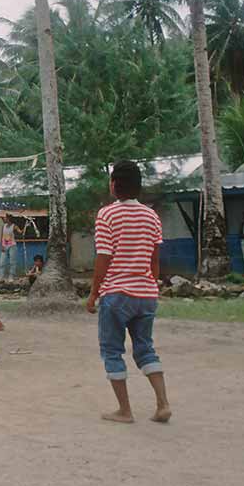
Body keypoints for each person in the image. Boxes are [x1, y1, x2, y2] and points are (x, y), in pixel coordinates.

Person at [86, 160, 171, 424]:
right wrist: (150, 285)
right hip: (146, 293)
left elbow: (104, 258)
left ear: (114, 185)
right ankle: (163, 403)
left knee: (112, 350)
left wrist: (93, 293)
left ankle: (125, 410)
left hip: (116, 293)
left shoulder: (107, 215)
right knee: (146, 349)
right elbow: (154, 260)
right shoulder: (151, 215)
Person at [0, 214, 20, 279]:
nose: (4, 219)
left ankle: (11, 276)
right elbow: (2, 236)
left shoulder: (14, 226)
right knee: (2, 262)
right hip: (4, 245)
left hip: (12, 245)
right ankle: (0, 276)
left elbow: (20, 232)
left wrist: (23, 230)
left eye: (5, 218)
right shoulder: (3, 226)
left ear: (8, 218)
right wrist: (1, 245)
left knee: (12, 262)